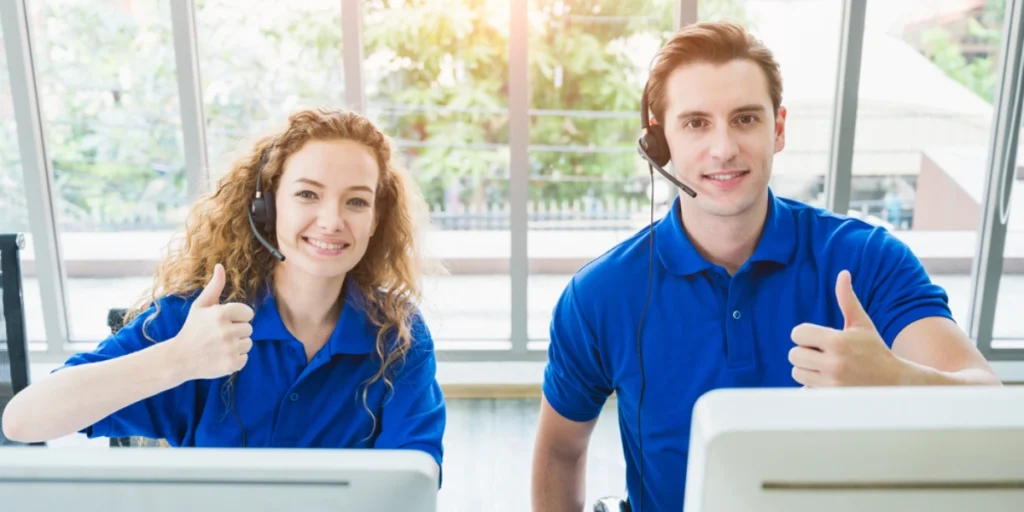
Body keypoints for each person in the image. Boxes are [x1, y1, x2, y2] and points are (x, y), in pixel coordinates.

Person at [531, 21, 1000, 512]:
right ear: (658, 142)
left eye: (745, 119)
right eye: (696, 123)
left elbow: (990, 404)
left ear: (777, 129)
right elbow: (560, 452)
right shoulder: (601, 294)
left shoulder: (867, 259)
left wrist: (895, 379)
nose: (724, 148)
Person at [2, 108, 447, 473]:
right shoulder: (200, 319)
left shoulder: (398, 337)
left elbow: (414, 481)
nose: (332, 220)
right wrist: (178, 360)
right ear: (268, 206)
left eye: (356, 201)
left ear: (375, 219)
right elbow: (23, 419)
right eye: (308, 195)